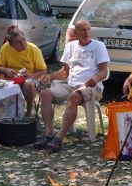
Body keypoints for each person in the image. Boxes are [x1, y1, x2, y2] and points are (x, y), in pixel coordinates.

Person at [34, 20, 109, 153]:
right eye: (83, 30)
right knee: (45, 94)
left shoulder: (99, 46)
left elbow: (104, 71)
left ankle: (59, 138)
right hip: (71, 85)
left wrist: (95, 78)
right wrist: (50, 77)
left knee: (74, 96)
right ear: (75, 33)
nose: (86, 32)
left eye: (88, 29)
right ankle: (48, 135)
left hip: (92, 87)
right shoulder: (71, 46)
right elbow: (65, 73)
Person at [0, 28, 47, 117]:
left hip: (30, 79)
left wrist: (30, 75)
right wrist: (6, 70)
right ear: (11, 45)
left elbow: (43, 71)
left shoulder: (34, 49)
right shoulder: (5, 48)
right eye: (18, 42)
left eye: (23, 39)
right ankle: (2, 115)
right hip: (11, 79)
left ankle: (28, 113)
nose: (23, 44)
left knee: (28, 83)